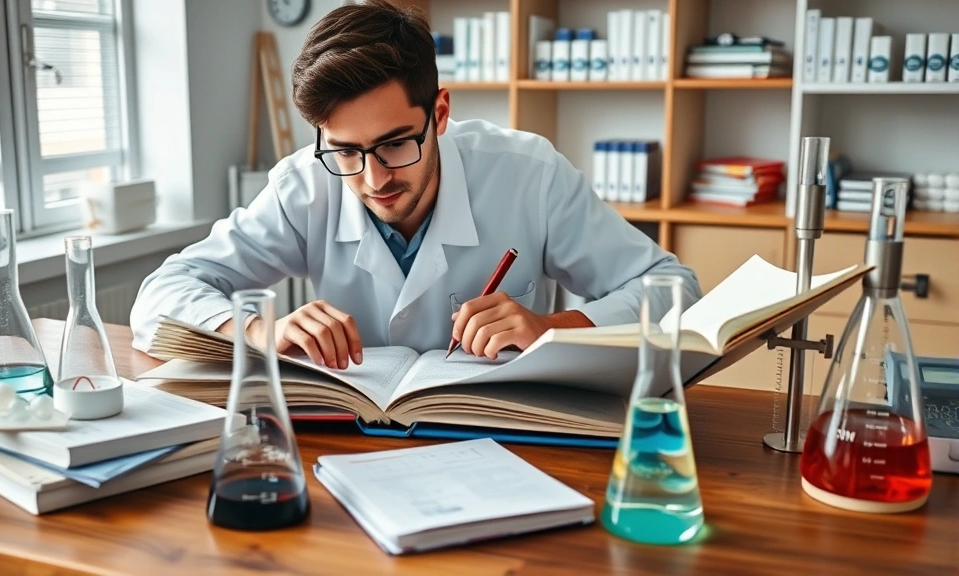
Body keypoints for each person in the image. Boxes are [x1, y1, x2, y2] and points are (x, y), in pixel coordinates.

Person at [129, 0, 701, 369]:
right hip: (351, 441)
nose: (374, 179)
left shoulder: (530, 172)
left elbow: (674, 289)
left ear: (441, 112)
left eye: (396, 144)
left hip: (508, 437)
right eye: (346, 151)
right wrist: (259, 328)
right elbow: (161, 294)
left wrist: (549, 326)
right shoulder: (303, 184)